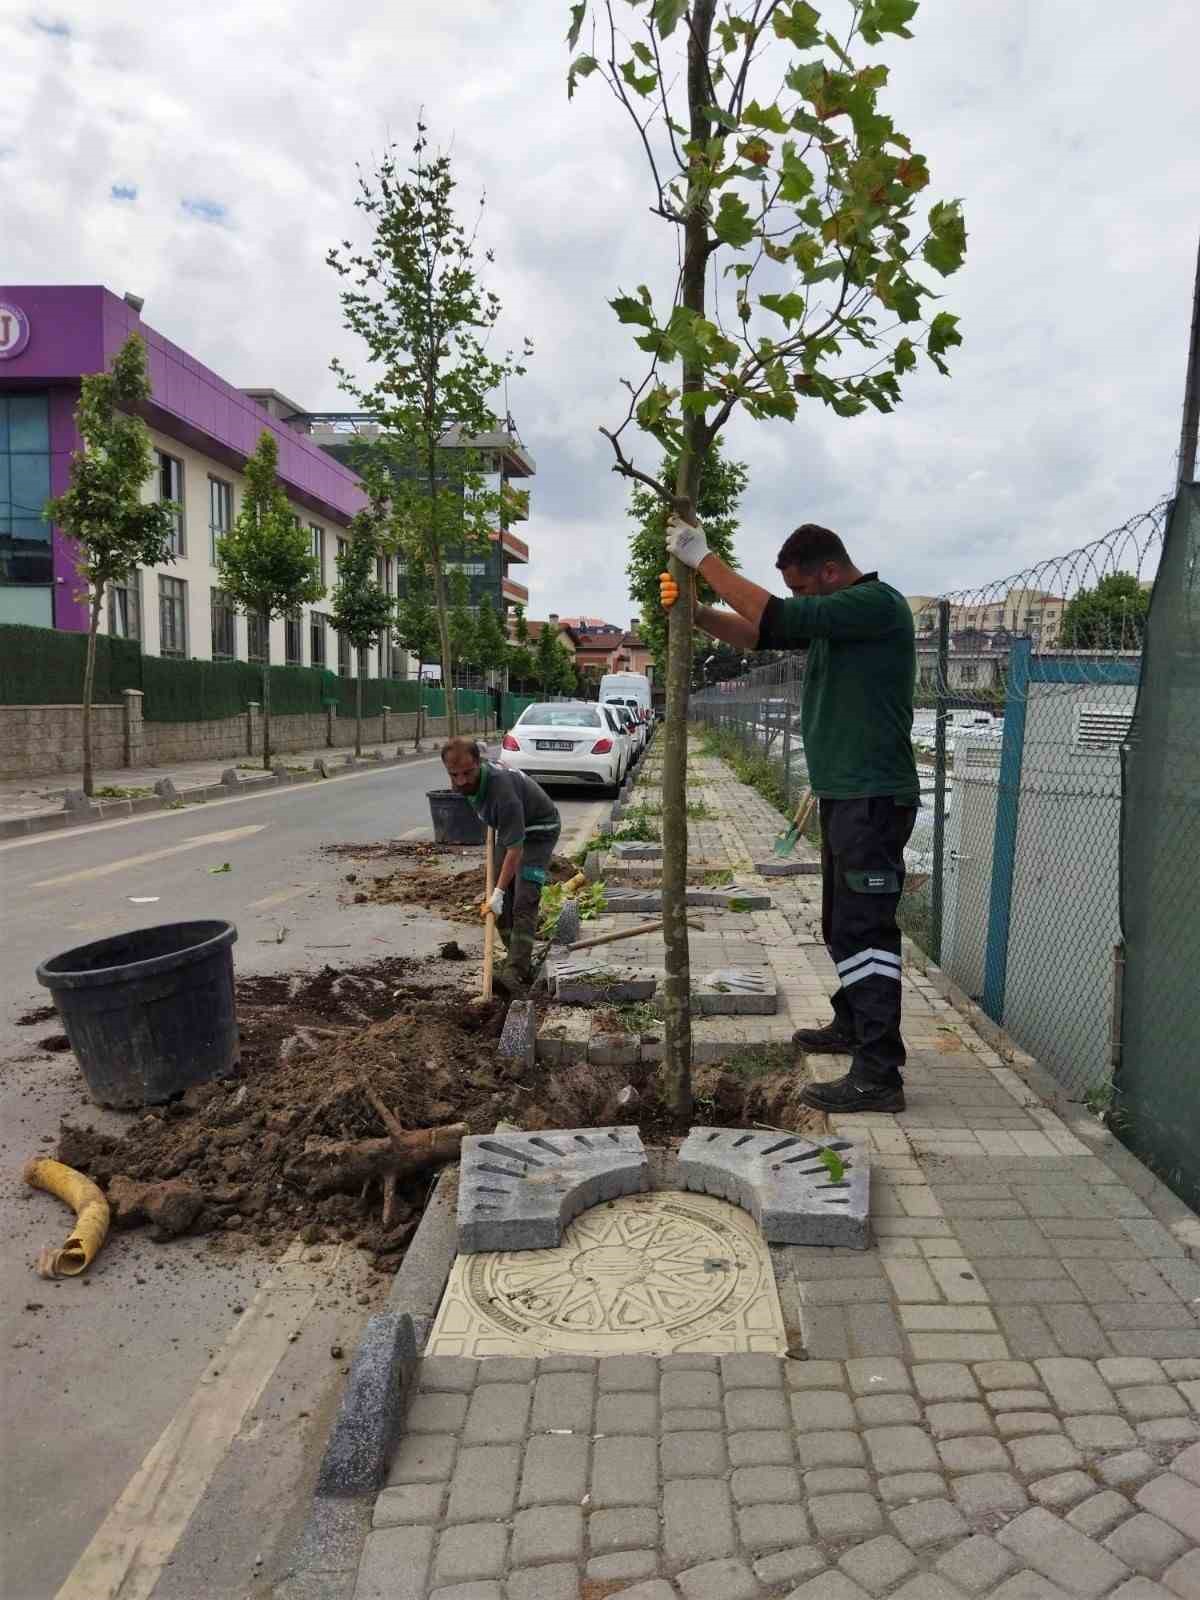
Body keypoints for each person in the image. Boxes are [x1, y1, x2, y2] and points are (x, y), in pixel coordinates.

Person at [661, 516, 919, 1114]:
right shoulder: (840, 620)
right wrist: (697, 614)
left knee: (865, 931)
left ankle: (880, 1073)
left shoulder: (873, 604)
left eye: (804, 588)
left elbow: (777, 616)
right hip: (848, 796)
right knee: (841, 924)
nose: (800, 600)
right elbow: (761, 635)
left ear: (831, 572)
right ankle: (853, 1023)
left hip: (873, 798)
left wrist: (706, 560)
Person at [440, 736, 561, 996]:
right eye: (454, 775)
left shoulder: (502, 792)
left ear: (478, 763)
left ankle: (516, 972)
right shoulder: (471, 784)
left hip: (539, 830)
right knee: (497, 904)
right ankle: (517, 958)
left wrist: (499, 892)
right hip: (511, 829)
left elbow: (516, 849)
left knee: (523, 898)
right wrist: (496, 893)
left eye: (467, 773)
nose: (461, 781)